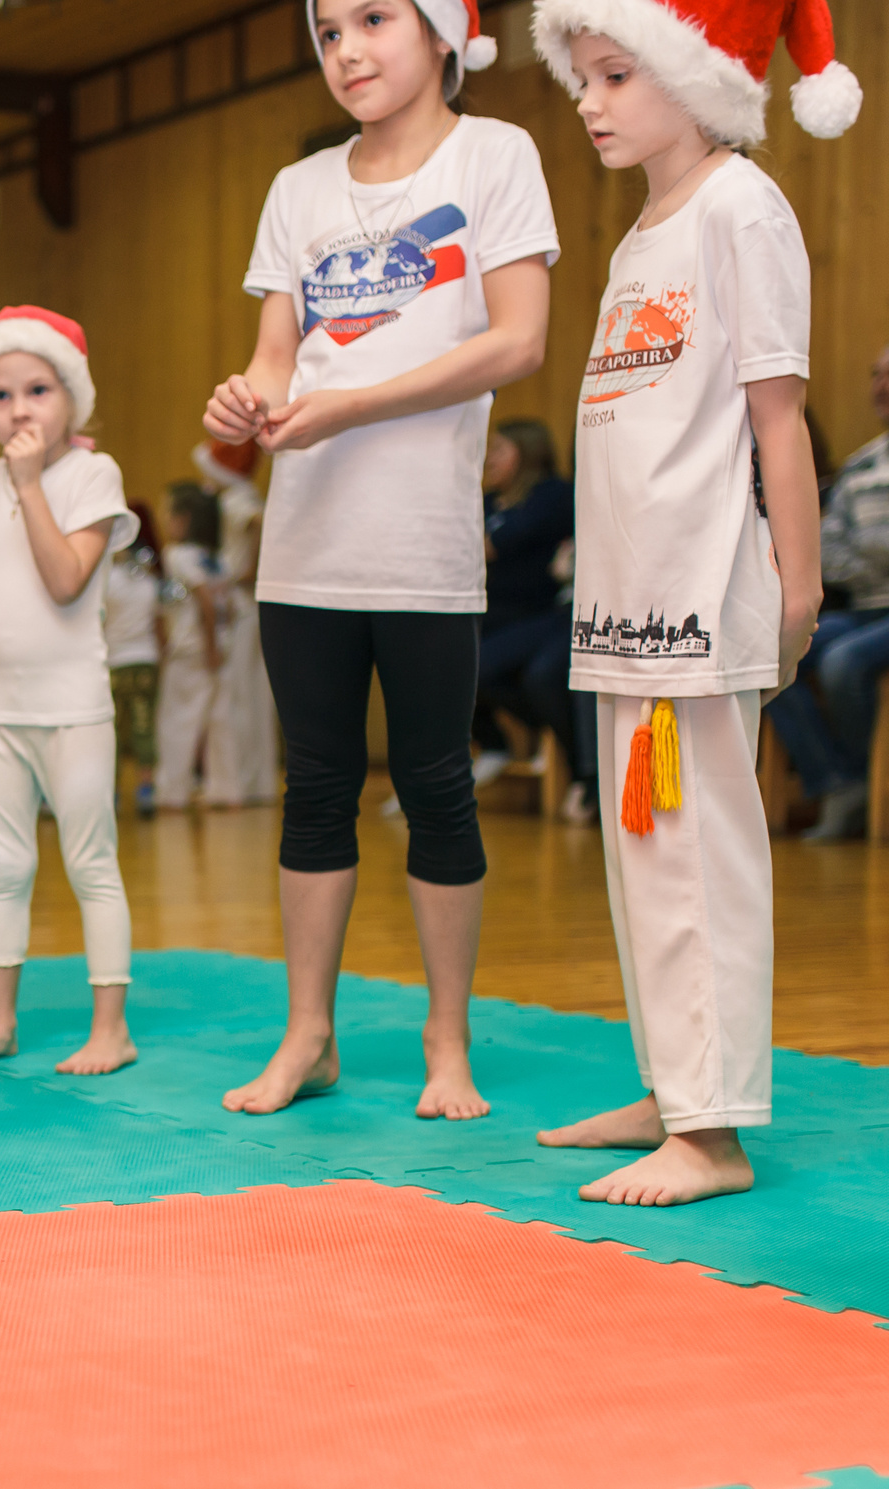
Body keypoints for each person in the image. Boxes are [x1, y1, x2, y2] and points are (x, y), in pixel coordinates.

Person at [203, 0, 556, 1121]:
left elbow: (516, 339)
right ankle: (307, 1035)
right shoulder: (298, 187)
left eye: (372, 18)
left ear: (445, 29)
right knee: (315, 793)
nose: (345, 48)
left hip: (423, 548)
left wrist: (348, 406)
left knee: (436, 788)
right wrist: (245, 397)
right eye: (324, 32)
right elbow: (274, 356)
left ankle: (445, 1041)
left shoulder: (495, 155)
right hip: (303, 545)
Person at [528, 0, 850, 1205]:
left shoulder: (740, 207)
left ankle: (713, 1132)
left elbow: (778, 417)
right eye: (584, 83)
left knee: (700, 857)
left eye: (615, 76)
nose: (593, 102)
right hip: (623, 599)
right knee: (642, 856)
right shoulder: (640, 232)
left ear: (695, 75)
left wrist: (798, 588)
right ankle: (677, 1086)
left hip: (703, 597)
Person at [0, 307, 140, 1073]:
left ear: (71, 397)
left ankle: (111, 1027)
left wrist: (29, 485)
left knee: (90, 862)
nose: (20, 409)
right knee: (4, 867)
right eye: (2, 394)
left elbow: (65, 576)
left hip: (74, 707)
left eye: (38, 389)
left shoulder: (92, 475)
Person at [769, 340, 889, 840]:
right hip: (867, 606)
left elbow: (854, 547)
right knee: (773, 654)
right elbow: (828, 551)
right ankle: (840, 781)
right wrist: (874, 553)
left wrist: (868, 549)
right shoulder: (861, 467)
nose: (881, 385)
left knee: (842, 662)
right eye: (876, 374)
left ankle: (868, 781)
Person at [473, 417, 593, 819]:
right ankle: (507, 742)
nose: (489, 459)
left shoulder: (553, 494)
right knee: (440, 656)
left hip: (544, 614)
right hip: (492, 614)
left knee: (520, 671)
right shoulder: (491, 500)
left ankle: (570, 763)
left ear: (526, 453)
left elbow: (491, 547)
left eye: (499, 450)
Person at [196, 438, 279, 807]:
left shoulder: (236, 502)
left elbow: (259, 525)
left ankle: (233, 782)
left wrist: (249, 571)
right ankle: (255, 780)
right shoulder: (245, 498)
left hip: (241, 608)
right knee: (254, 694)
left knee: (235, 694)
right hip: (251, 607)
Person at [153, 484, 228, 812]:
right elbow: (226, 605)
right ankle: (226, 790)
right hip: (219, 650)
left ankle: (173, 792)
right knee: (219, 721)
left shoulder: (178, 555)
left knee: (176, 722)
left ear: (182, 520)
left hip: (190, 650)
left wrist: (207, 644)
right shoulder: (214, 559)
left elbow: (205, 603)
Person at [102, 503, 163, 818]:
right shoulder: (149, 580)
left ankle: (111, 793)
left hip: (114, 662)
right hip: (146, 661)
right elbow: (160, 624)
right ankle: (146, 789)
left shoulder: (106, 580)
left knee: (110, 731)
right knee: (143, 726)